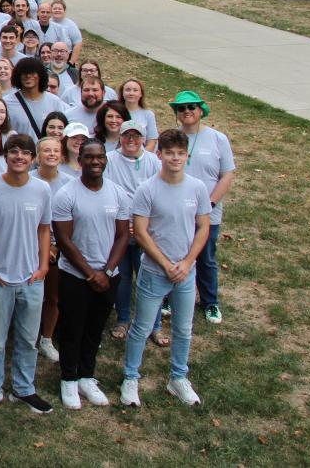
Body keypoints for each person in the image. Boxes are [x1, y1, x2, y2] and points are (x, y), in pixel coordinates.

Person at [121, 128, 213, 408]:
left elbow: (203, 227)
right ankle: (130, 377)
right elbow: (140, 231)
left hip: (186, 273)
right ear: (158, 154)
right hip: (154, 272)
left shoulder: (197, 188)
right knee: (142, 327)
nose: (175, 158)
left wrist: (187, 263)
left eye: (180, 153)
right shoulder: (147, 189)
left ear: (187, 156)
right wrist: (165, 263)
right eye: (169, 153)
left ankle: (178, 378)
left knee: (183, 329)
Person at [0, 134, 54, 414]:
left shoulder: (42, 190)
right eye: (14, 152)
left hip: (31, 278)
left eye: (25, 153)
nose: (20, 157)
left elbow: (44, 229)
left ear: (33, 158)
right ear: (5, 156)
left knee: (28, 339)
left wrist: (43, 267)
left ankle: (24, 388)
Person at [51, 140, 129, 410]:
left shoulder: (118, 193)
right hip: (75, 275)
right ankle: (68, 379)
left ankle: (86, 375)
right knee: (72, 329)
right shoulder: (66, 195)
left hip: (109, 275)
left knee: (94, 330)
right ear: (80, 160)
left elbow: (122, 235)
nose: (95, 162)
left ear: (105, 160)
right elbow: (63, 239)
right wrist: (90, 274)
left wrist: (106, 271)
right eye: (89, 158)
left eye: (100, 157)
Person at [170, 90, 235, 325]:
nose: (187, 111)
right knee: (174, 253)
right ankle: (169, 297)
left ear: (201, 110)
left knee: (205, 257)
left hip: (209, 211)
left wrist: (210, 204)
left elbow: (227, 175)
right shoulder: (171, 138)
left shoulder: (218, 139)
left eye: (191, 107)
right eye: (181, 108)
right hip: (176, 211)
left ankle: (209, 301)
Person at [105, 121, 164, 341]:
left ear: (143, 138)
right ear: (119, 137)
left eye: (136, 135)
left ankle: (155, 325)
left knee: (149, 279)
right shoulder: (110, 160)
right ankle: (123, 320)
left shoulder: (152, 162)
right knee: (122, 278)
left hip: (146, 231)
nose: (131, 140)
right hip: (118, 230)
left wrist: (141, 225)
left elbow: (160, 194)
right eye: (126, 135)